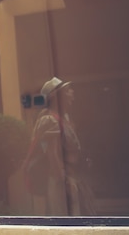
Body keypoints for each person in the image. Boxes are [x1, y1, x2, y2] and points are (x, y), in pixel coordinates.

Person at [30, 77, 95, 216]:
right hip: (61, 179)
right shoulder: (49, 120)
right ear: (57, 97)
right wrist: (63, 181)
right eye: (67, 91)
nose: (72, 93)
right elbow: (51, 153)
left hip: (73, 176)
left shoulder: (64, 118)